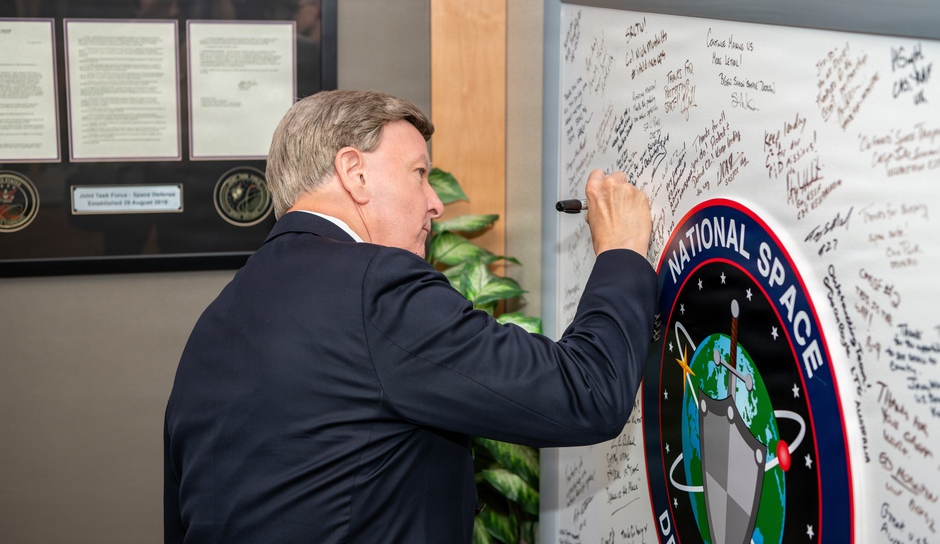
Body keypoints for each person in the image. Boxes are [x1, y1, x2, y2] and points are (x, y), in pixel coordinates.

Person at [163, 89, 657, 543]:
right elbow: (588, 392)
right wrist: (620, 252)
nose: (436, 203)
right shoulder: (376, 286)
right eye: (419, 173)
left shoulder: (218, 320)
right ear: (354, 173)